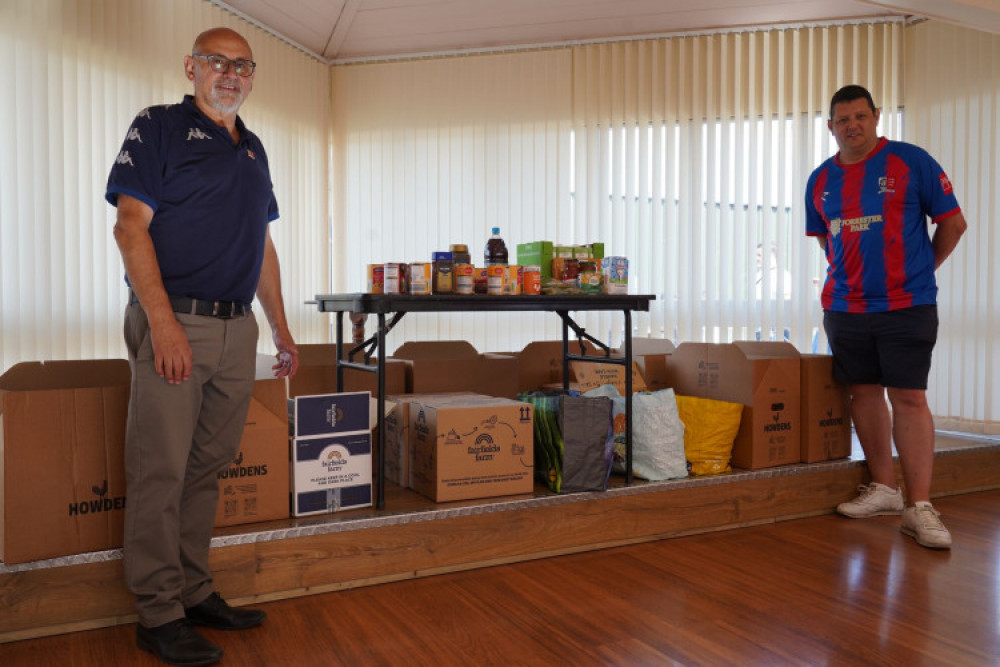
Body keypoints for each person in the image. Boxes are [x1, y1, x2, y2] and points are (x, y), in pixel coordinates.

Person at [106, 27, 299, 664]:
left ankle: (192, 591)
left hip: (235, 327)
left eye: (243, 65)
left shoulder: (255, 148)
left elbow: (262, 247)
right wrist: (161, 322)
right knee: (160, 472)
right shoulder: (157, 126)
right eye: (218, 62)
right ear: (192, 66)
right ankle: (157, 614)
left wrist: (280, 327)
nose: (231, 74)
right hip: (175, 323)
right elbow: (129, 226)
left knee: (205, 470)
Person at [805, 85, 967, 549]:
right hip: (845, 306)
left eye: (860, 116)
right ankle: (884, 489)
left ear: (876, 117)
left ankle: (920, 507)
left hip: (907, 305)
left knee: (910, 397)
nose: (852, 125)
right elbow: (827, 240)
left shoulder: (911, 161)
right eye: (842, 119)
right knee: (863, 394)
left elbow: (953, 223)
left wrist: (919, 271)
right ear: (831, 126)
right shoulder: (820, 179)